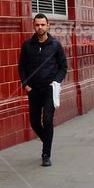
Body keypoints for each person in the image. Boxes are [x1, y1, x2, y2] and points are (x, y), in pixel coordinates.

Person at [18, 13, 67, 166]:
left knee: (47, 119)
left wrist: (56, 82)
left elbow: (63, 66)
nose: (40, 27)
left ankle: (46, 154)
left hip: (49, 90)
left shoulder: (55, 45)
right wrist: (25, 84)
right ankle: (47, 139)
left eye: (42, 25)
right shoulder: (27, 45)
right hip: (33, 90)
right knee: (34, 121)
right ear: (33, 25)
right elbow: (22, 67)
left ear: (48, 25)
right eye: (37, 25)